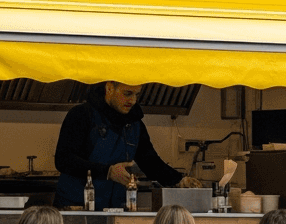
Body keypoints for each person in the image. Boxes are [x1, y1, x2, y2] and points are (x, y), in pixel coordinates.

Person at [53, 81, 197, 210]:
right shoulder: (81, 115)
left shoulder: (135, 125)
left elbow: (150, 162)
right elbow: (63, 160)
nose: (133, 100)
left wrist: (179, 180)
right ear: (109, 89)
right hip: (76, 207)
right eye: (127, 93)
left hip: (115, 209)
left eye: (136, 94)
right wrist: (108, 172)